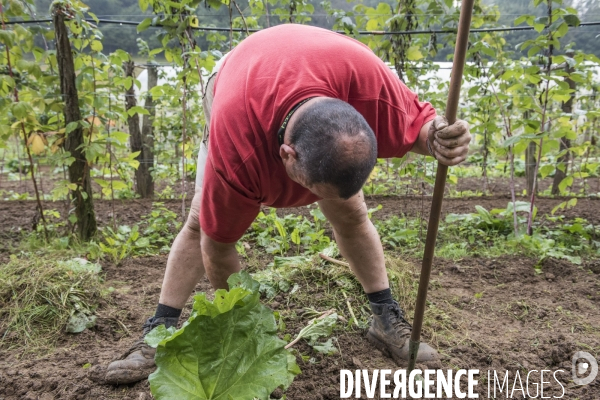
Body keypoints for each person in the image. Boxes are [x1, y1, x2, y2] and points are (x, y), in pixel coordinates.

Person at [104, 24, 471, 384]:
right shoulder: (239, 150)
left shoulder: (369, 86)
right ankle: (159, 333)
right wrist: (247, 329)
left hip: (318, 67)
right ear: (286, 156)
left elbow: (423, 127)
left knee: (352, 211)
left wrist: (440, 139)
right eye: (315, 191)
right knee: (202, 221)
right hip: (234, 81)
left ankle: (385, 317)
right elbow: (218, 248)